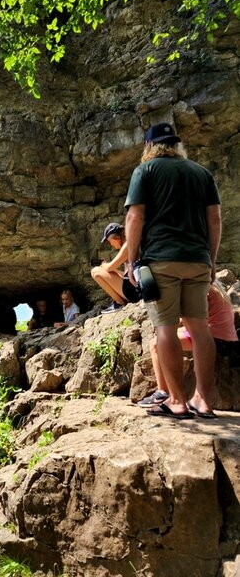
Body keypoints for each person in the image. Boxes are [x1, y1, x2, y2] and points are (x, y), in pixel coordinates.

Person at [125, 122, 222, 419]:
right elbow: (215, 219)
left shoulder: (146, 170)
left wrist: (131, 261)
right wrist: (211, 260)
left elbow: (135, 217)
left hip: (162, 260)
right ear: (176, 146)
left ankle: (177, 401)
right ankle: (203, 401)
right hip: (198, 260)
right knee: (199, 326)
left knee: (165, 327)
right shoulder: (202, 173)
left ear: (148, 146)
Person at [138, 280, 238, 417]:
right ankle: (193, 399)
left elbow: (191, 320)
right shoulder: (210, 287)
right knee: (164, 339)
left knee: (156, 344)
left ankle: (163, 392)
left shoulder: (200, 290)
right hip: (225, 336)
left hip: (215, 337)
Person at [91, 222, 129, 314]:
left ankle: (119, 303)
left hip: (136, 293)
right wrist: (114, 270)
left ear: (113, 237)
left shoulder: (127, 246)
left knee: (95, 271)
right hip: (136, 288)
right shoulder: (130, 244)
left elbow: (109, 268)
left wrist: (104, 265)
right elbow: (126, 276)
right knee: (106, 270)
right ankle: (120, 302)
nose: (110, 244)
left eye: (109, 241)